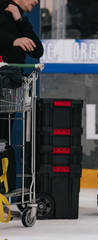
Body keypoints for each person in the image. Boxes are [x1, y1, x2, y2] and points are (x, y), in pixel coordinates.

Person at [0, 0, 43, 141]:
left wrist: (19, 18)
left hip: (9, 88)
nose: (36, 1)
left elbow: (37, 51)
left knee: (4, 138)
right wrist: (13, 41)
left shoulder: (18, 16)